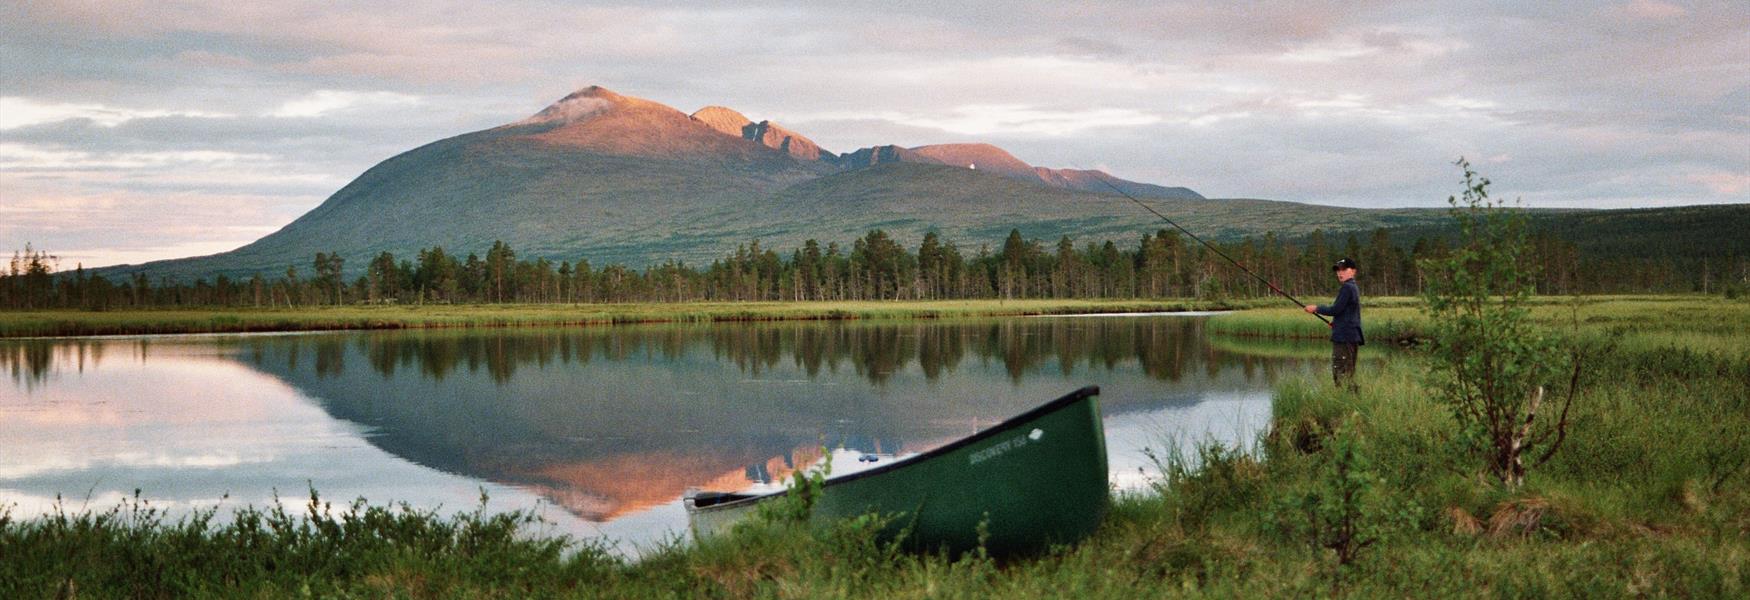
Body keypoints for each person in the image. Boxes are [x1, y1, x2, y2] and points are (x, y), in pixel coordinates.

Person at [1305, 258, 1363, 390]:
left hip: (1345, 338)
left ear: (1353, 271)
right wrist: (1337, 323)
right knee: (1348, 373)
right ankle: (1354, 403)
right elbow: (1348, 313)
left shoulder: (1347, 287)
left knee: (1341, 374)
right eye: (1338, 270)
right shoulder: (1352, 287)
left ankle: (1348, 403)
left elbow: (1335, 309)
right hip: (1349, 335)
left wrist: (1316, 308)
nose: (1339, 273)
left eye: (1343, 269)